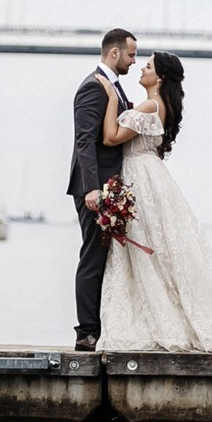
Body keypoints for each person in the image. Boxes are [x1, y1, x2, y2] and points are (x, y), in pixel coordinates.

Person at [95, 50, 212, 351]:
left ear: (159, 76)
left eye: (147, 66)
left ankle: (158, 320)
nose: (141, 69)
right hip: (152, 176)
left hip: (140, 176)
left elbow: (110, 137)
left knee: (148, 247)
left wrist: (109, 97)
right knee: (162, 248)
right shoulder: (162, 105)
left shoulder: (149, 104)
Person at [67, 27, 137, 351]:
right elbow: (84, 141)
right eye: (131, 55)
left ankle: (100, 328)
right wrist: (92, 189)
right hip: (95, 191)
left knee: (103, 258)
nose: (134, 61)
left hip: (110, 188)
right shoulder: (92, 88)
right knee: (92, 258)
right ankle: (86, 334)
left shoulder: (115, 88)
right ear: (114, 53)